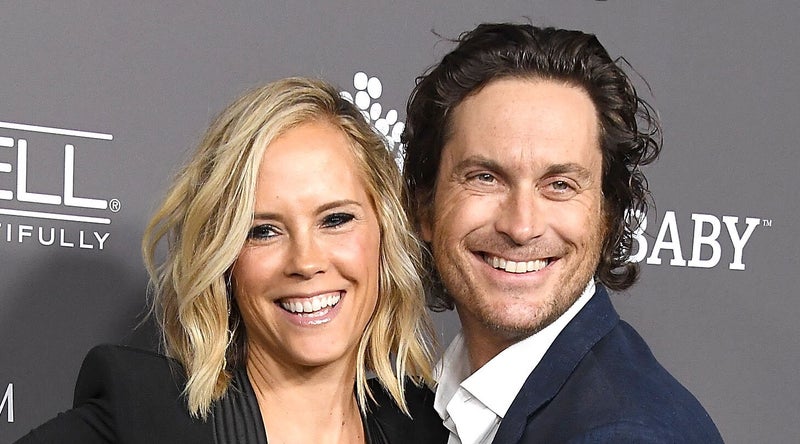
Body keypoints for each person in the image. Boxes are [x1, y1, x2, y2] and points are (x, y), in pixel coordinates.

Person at [16, 77, 447, 443]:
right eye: (263, 230)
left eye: (335, 220)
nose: (306, 261)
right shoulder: (146, 422)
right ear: (223, 259)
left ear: (385, 232)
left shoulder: (430, 429)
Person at [402, 23, 724, 443]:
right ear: (424, 206)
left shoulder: (624, 435)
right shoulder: (427, 401)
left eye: (559, 185)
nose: (521, 227)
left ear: (607, 216)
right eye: (485, 177)